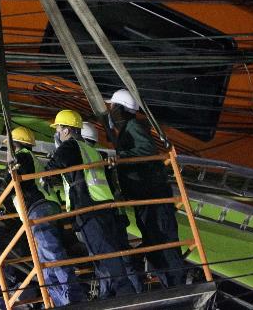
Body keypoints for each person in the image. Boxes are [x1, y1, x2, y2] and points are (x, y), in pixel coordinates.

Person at [46, 110, 143, 298]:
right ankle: (110, 296)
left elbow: (54, 165)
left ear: (66, 130)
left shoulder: (70, 146)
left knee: (104, 254)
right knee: (106, 254)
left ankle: (127, 295)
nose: (57, 132)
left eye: (58, 128)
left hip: (88, 208)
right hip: (104, 206)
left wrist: (46, 178)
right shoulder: (92, 150)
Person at [0, 126, 84, 306]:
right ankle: (61, 301)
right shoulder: (32, 159)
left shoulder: (22, 156)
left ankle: (73, 298)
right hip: (44, 208)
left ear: (15, 145)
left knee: (51, 255)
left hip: (38, 208)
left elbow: (10, 179)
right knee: (45, 264)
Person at [107, 89, 186, 288]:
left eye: (112, 107)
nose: (110, 110)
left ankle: (176, 286)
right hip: (145, 197)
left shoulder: (132, 126)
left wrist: (121, 157)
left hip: (153, 195)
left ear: (121, 109)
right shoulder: (126, 130)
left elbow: (147, 150)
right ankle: (170, 285)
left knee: (163, 241)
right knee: (154, 243)